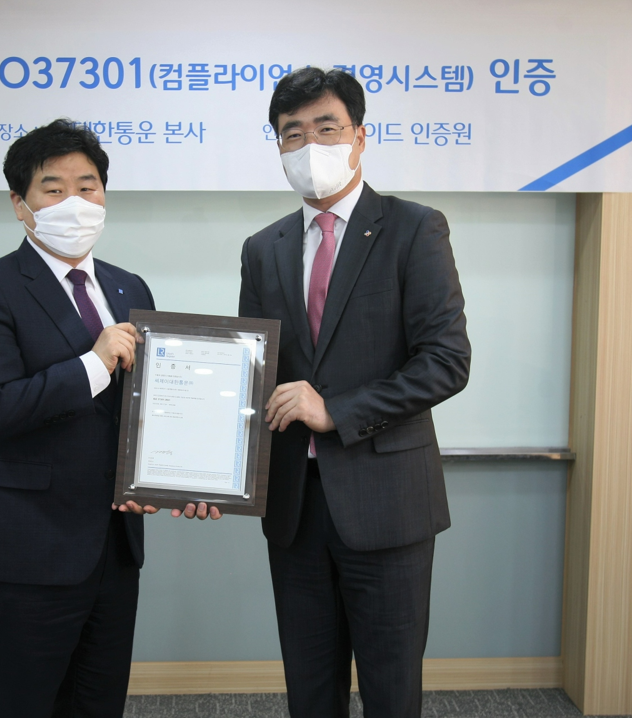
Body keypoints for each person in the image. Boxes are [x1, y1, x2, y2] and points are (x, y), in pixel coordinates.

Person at [0, 119, 217, 718]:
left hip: (114, 547)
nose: (74, 201)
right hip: (29, 548)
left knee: (99, 704)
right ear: (19, 204)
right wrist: (92, 364)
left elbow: (151, 409)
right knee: (28, 705)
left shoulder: (128, 287)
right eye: (53, 188)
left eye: (87, 186)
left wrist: (183, 478)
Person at [238, 68, 471, 717]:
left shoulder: (414, 229)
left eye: (326, 128)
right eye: (292, 134)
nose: (309, 145)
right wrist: (205, 473)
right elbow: (252, 373)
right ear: (278, 147)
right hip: (295, 508)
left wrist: (334, 411)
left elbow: (446, 362)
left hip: (387, 504)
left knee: (391, 691)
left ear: (360, 137)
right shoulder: (263, 249)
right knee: (310, 691)